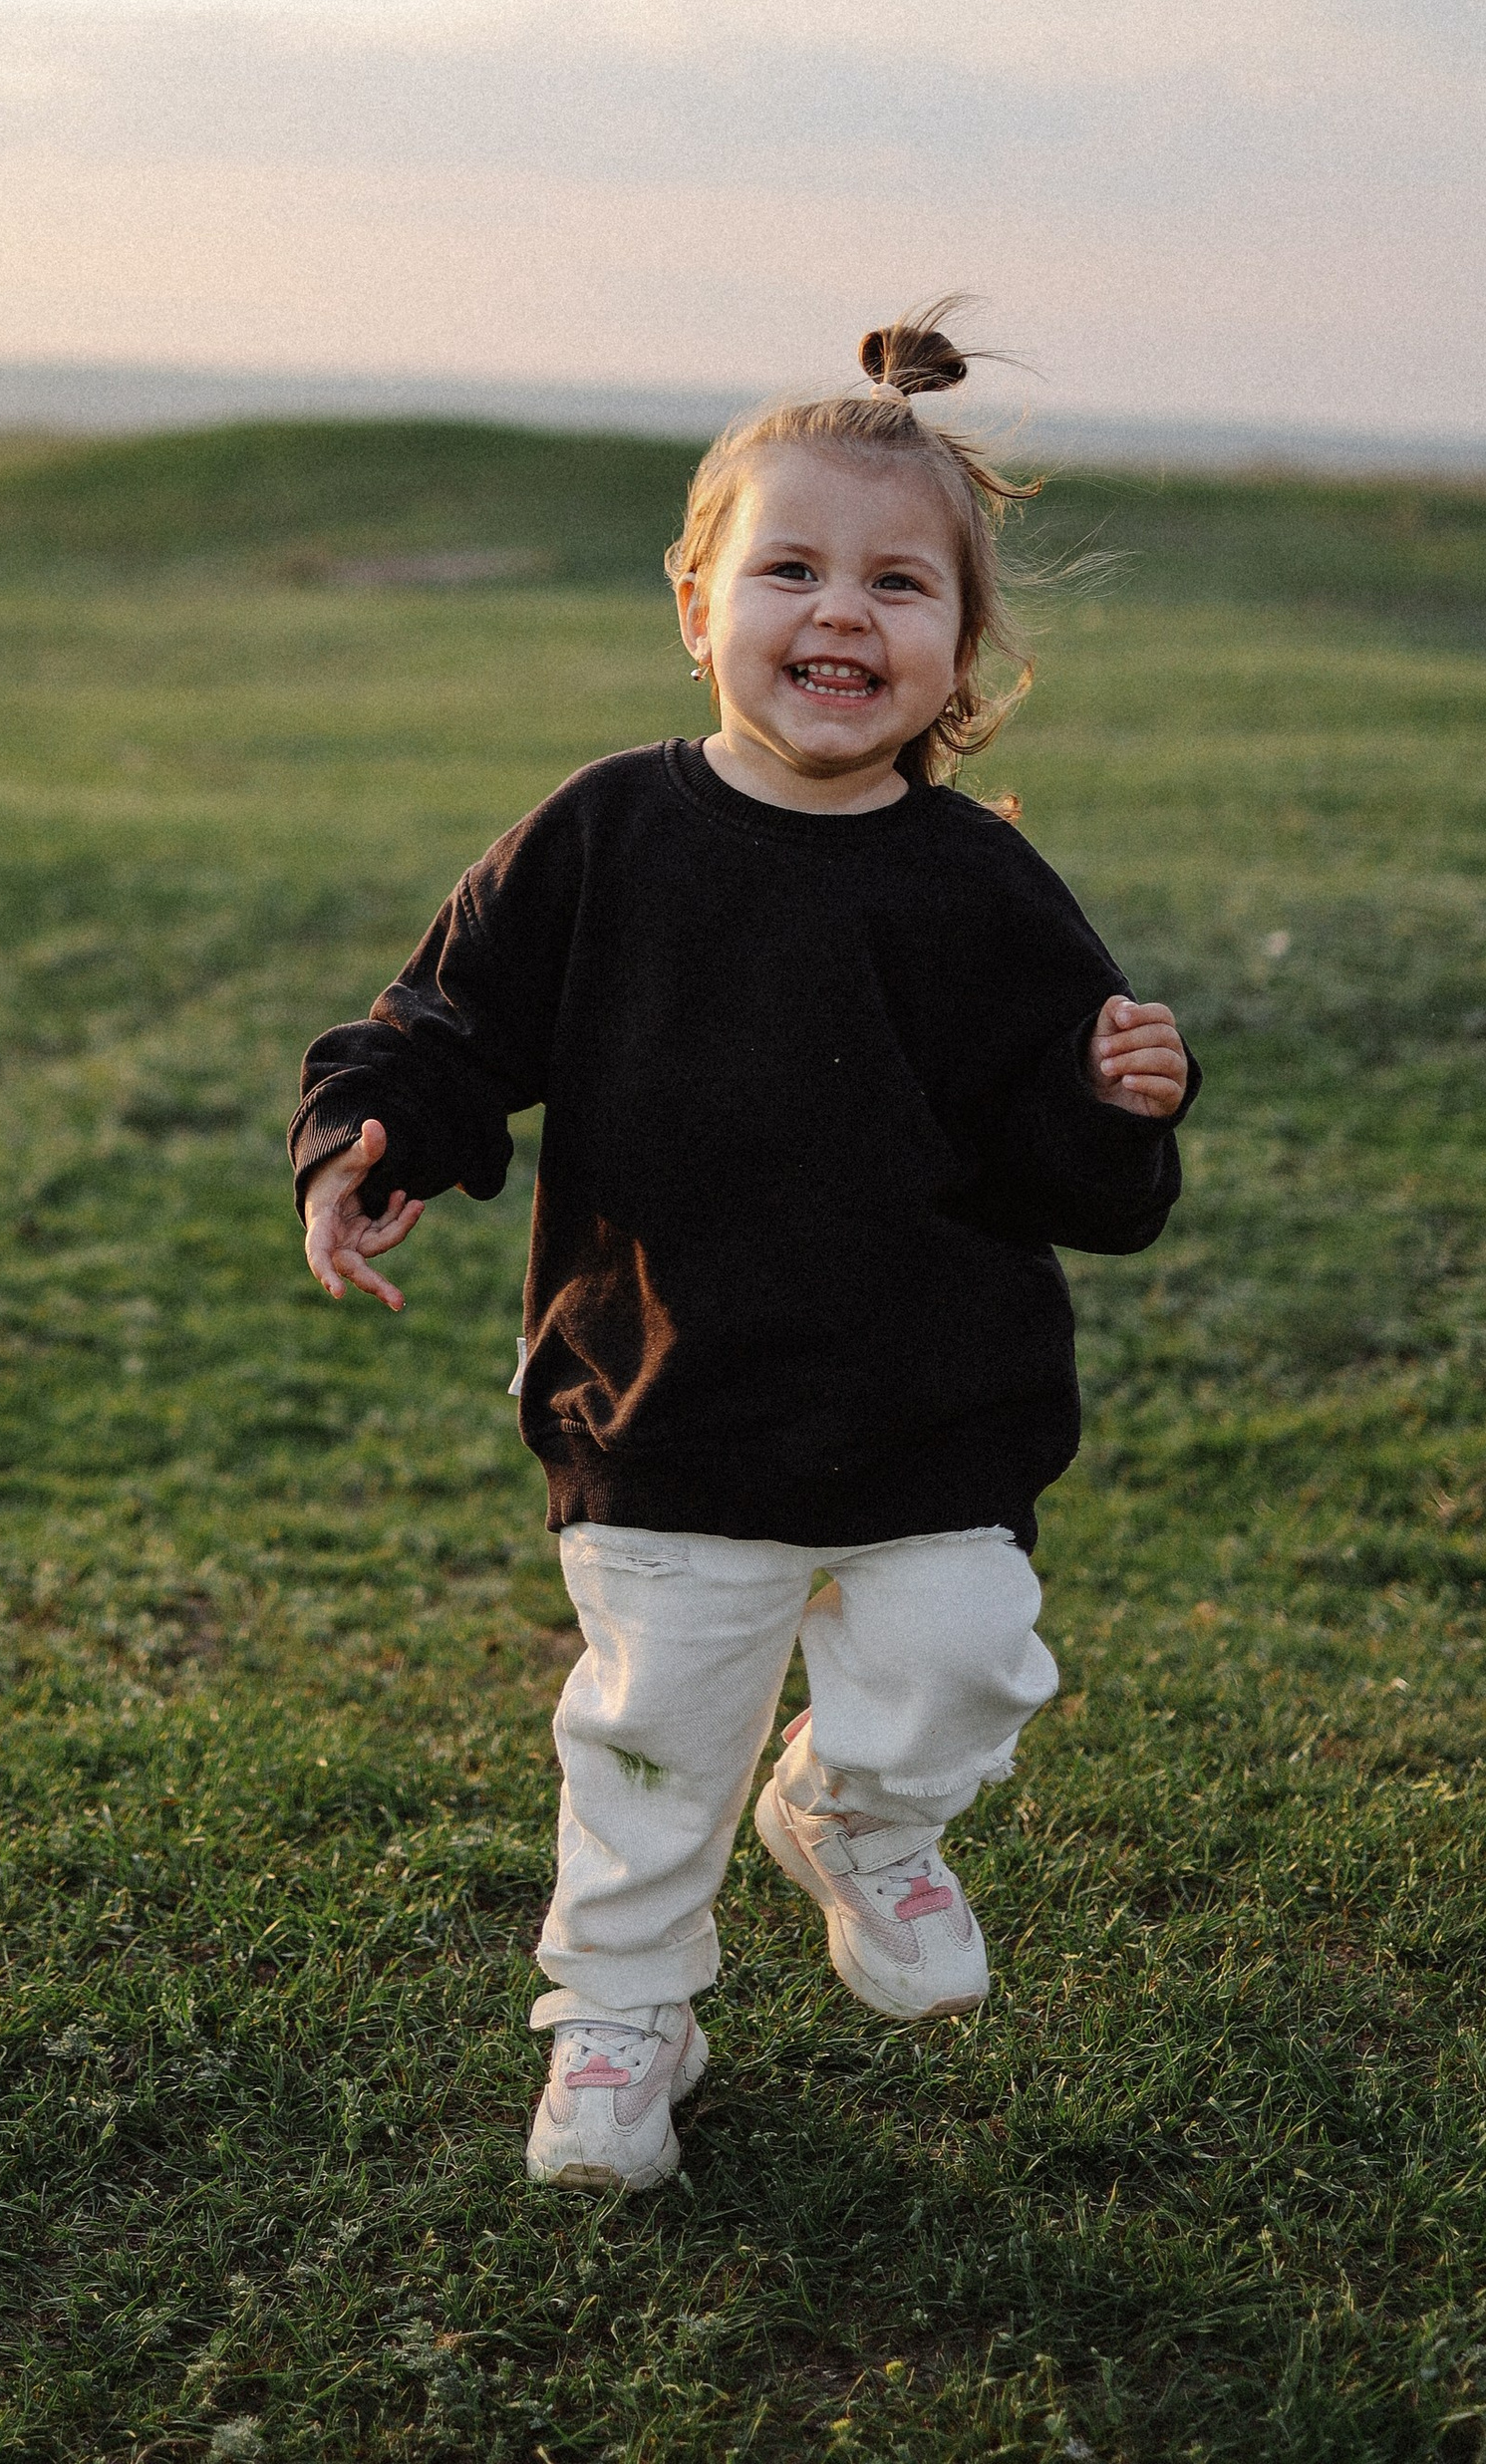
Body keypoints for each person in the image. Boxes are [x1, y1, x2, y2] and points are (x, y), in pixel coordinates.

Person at [287, 312, 1198, 2194]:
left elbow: (1074, 1186)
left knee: (967, 1656)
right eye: (790, 567)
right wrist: (378, 1136)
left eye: (897, 582)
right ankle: (620, 2025)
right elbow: (447, 1026)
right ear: (697, 602)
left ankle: (859, 1814)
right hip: (668, 1403)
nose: (839, 612)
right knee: (648, 1754)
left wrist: (1116, 1106)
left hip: (933, 1404)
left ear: (961, 646)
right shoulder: (610, 832)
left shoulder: (981, 887)